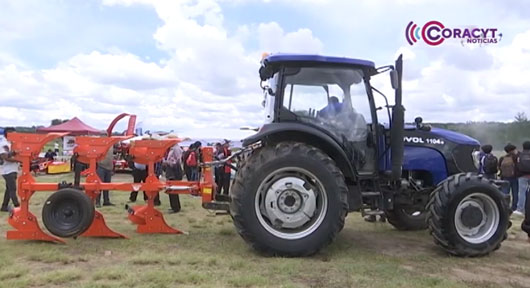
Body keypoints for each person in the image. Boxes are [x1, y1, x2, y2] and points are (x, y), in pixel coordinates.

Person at [1, 127, 20, 212]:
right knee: (12, 189)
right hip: (7, 170)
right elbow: (5, 157)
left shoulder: (10, 143)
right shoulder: (3, 144)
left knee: (9, 189)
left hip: (12, 169)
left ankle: (4, 206)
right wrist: (19, 159)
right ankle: (18, 207)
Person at [499, 143, 519, 212]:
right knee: (515, 193)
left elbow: (499, 167)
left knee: (505, 193)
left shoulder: (502, 158)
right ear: (512, 150)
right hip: (515, 177)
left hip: (505, 177)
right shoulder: (515, 157)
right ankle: (514, 207)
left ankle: (505, 206)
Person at [164, 142, 183, 213]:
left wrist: (168, 163)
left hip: (174, 172)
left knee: (173, 190)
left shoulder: (176, 149)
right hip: (171, 171)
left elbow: (177, 160)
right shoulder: (173, 148)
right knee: (171, 190)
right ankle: (174, 206)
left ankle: (176, 207)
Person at [516, 141, 530, 216]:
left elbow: (517, 165)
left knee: (522, 193)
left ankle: (520, 209)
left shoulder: (520, 155)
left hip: (522, 176)